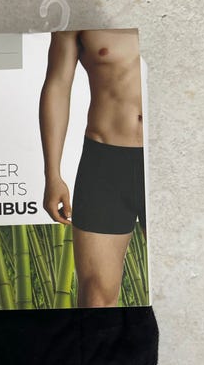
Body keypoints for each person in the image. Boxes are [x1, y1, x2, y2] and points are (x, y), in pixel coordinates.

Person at [39, 28, 146, 308]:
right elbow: (58, 85)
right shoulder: (77, 18)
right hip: (106, 163)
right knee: (95, 299)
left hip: (170, 160)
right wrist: (52, 174)